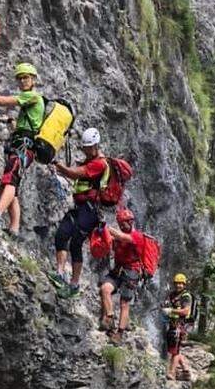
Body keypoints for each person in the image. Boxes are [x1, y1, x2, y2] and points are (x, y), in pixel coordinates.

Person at [0, 62, 44, 236]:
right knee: (10, 184)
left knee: (10, 180)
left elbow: (4, 101)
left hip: (24, 146)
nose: (22, 81)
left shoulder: (33, 96)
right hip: (23, 144)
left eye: (26, 77)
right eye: (19, 78)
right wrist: (13, 123)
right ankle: (14, 229)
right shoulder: (32, 100)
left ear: (33, 79)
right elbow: (26, 128)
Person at [48, 128, 109, 296]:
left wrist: (59, 165)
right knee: (61, 234)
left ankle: (74, 285)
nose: (86, 150)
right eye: (84, 147)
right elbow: (76, 176)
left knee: (76, 242)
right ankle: (60, 273)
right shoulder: (89, 161)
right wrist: (58, 169)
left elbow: (76, 174)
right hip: (80, 207)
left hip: (91, 211)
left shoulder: (99, 163)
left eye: (88, 147)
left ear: (96, 146)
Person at [99, 207, 145, 343]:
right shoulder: (119, 234)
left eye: (128, 222)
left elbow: (121, 237)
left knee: (124, 303)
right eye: (124, 222)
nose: (127, 224)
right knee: (105, 289)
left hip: (132, 272)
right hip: (118, 270)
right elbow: (113, 238)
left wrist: (105, 226)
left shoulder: (137, 236)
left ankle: (119, 333)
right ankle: (109, 316)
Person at [162, 273, 193, 381]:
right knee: (175, 349)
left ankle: (172, 373)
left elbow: (185, 311)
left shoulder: (186, 296)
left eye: (181, 283)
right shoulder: (172, 295)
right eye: (177, 283)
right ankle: (186, 370)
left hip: (180, 326)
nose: (179, 285)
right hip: (171, 325)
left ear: (184, 284)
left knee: (175, 351)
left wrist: (171, 311)